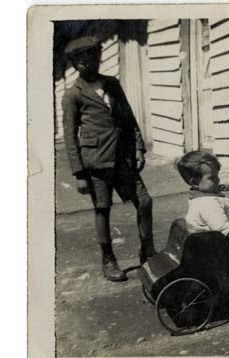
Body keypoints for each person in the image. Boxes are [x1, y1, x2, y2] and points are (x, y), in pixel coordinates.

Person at [62, 36, 156, 282]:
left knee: (144, 202)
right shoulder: (73, 95)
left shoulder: (112, 84)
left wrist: (138, 149)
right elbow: (70, 136)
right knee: (102, 210)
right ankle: (108, 259)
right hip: (96, 162)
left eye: (94, 56)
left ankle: (148, 250)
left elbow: (129, 118)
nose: (89, 63)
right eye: (82, 60)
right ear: (74, 64)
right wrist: (79, 174)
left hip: (123, 158)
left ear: (99, 57)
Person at [176, 150, 229, 263]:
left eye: (217, 175)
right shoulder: (207, 203)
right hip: (222, 247)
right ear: (194, 183)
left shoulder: (202, 197)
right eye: (212, 178)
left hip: (215, 242)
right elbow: (223, 228)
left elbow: (224, 211)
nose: (218, 180)